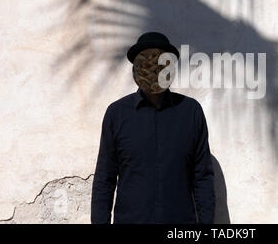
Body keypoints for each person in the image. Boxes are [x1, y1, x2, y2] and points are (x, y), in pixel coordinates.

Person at [91, 31, 215, 224]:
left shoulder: (191, 112)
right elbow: (104, 180)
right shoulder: (117, 114)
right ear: (136, 68)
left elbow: (202, 177)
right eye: (146, 61)